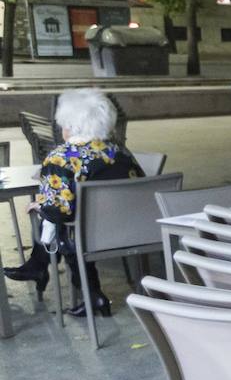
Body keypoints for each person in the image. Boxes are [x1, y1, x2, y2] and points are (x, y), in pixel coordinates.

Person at [3, 88, 145, 316]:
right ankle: (68, 282)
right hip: (132, 230)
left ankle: (57, 275)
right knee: (73, 219)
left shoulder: (60, 158)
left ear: (70, 125)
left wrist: (41, 205)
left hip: (89, 237)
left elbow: (59, 211)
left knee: (56, 223)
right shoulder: (121, 152)